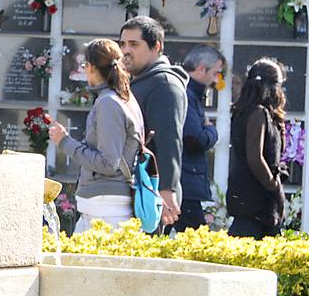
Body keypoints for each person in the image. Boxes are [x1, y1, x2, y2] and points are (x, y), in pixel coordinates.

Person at [48, 39, 145, 235]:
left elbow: (108, 163)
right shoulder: (122, 99)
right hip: (104, 206)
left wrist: (65, 142)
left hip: (105, 209)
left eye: (84, 65)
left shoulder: (109, 102)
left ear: (91, 67)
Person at [119, 16, 188, 232]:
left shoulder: (164, 84)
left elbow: (169, 140)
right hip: (136, 187)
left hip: (151, 191)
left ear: (156, 47)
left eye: (134, 44)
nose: (125, 51)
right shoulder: (142, 80)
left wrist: (167, 188)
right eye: (122, 44)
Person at [226, 58, 288, 239]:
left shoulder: (244, 111)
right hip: (257, 203)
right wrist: (274, 185)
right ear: (272, 87)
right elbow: (255, 158)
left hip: (247, 200)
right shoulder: (258, 113)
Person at [177, 45, 225, 232]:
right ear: (201, 69)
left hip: (185, 179)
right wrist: (212, 131)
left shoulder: (191, 94)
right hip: (185, 181)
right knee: (196, 240)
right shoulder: (188, 96)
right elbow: (194, 139)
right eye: (215, 73)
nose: (216, 79)